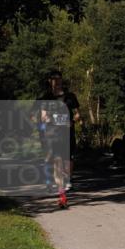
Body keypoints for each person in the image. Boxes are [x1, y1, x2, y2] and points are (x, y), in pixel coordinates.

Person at [40, 69, 80, 203]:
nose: (56, 81)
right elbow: (43, 117)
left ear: (62, 80)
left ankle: (68, 180)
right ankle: (59, 190)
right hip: (53, 133)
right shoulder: (46, 97)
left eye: (58, 78)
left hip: (68, 132)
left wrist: (73, 120)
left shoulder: (70, 97)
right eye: (53, 79)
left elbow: (78, 114)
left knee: (69, 157)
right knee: (55, 159)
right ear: (50, 81)